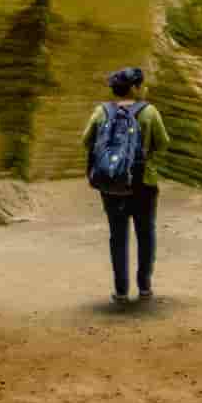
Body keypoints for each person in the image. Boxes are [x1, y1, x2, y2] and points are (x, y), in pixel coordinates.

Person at [82, 66, 171, 305]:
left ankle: (121, 291)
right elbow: (163, 144)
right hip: (144, 182)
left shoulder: (102, 112)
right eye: (141, 84)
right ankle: (144, 288)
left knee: (117, 236)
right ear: (134, 87)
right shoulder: (149, 112)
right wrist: (144, 157)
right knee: (145, 234)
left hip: (111, 182)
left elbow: (86, 140)